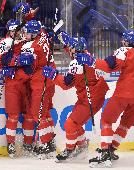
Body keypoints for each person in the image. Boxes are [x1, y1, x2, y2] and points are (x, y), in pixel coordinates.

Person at [76, 29, 134, 168]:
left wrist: (91, 61)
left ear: (127, 42)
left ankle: (105, 153)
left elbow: (109, 66)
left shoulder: (124, 51)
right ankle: (111, 149)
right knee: (125, 124)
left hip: (124, 93)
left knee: (106, 120)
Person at [42, 34, 109, 162]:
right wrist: (67, 44)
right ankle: (82, 146)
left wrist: (54, 75)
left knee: (70, 124)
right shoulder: (86, 54)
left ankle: (70, 149)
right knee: (75, 123)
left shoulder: (77, 64)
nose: (70, 50)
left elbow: (66, 84)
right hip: (93, 95)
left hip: (90, 99)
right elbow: (75, 52)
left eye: (71, 48)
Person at [0, 19, 35, 158]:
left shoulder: (28, 42)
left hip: (27, 83)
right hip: (12, 83)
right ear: (9, 31)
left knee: (28, 116)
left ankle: (28, 144)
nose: (16, 32)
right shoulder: (5, 42)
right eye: (13, 30)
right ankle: (11, 144)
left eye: (18, 30)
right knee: (13, 115)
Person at [18, 19, 56, 159]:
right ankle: (50, 142)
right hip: (49, 78)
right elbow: (43, 30)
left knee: (37, 114)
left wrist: (16, 61)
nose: (25, 34)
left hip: (41, 82)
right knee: (44, 113)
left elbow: (29, 69)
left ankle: (46, 145)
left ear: (34, 34)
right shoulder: (43, 35)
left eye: (27, 32)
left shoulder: (31, 47)